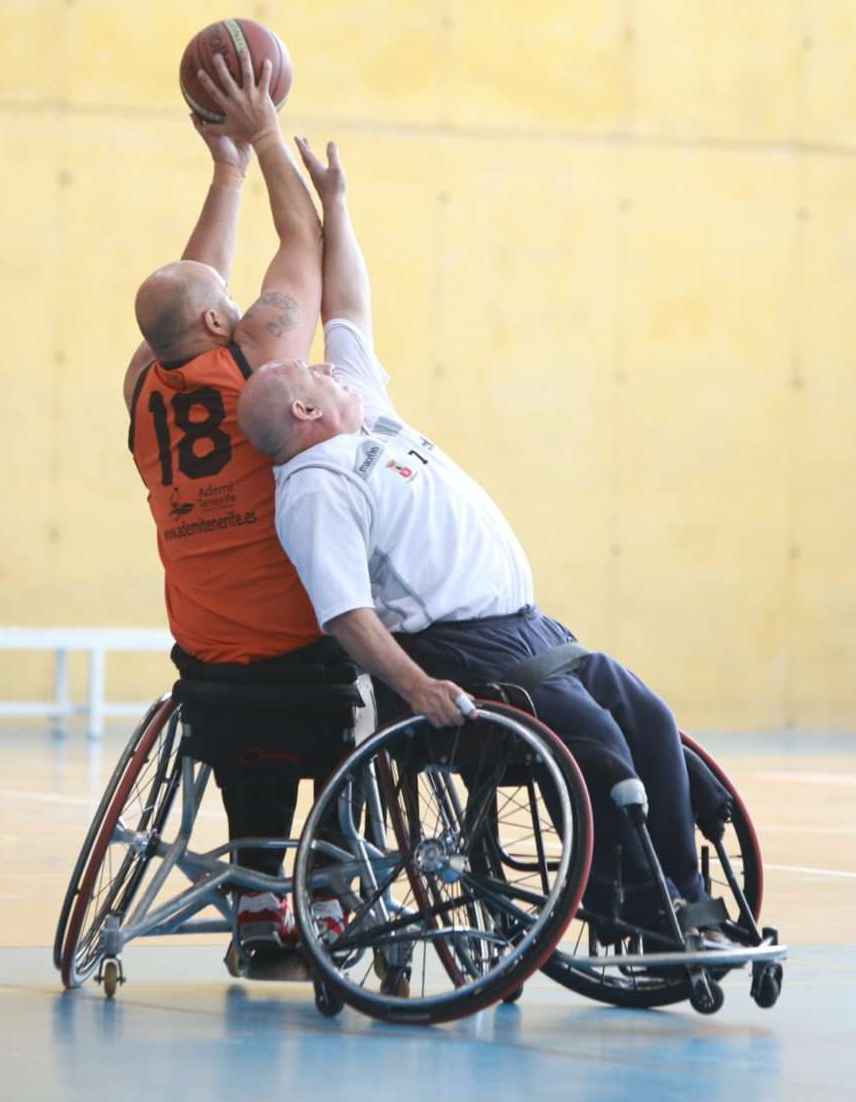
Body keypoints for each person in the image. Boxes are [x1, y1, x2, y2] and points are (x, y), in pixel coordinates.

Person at [238, 138, 721, 939]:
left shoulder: (365, 408)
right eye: (313, 374)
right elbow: (347, 615)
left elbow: (348, 307)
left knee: (649, 717)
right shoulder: (317, 486)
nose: (326, 365)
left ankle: (689, 895)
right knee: (597, 747)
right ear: (303, 412)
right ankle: (637, 914)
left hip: (531, 629)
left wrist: (338, 206)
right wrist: (419, 686)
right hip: (461, 651)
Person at [123, 47, 350, 958]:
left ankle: (258, 905)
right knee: (365, 668)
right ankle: (329, 897)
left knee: (248, 717)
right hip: (305, 649)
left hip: (207, 659)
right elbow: (304, 247)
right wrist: (263, 136)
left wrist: (224, 173)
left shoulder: (141, 382)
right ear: (223, 322)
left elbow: (191, 287)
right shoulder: (258, 358)